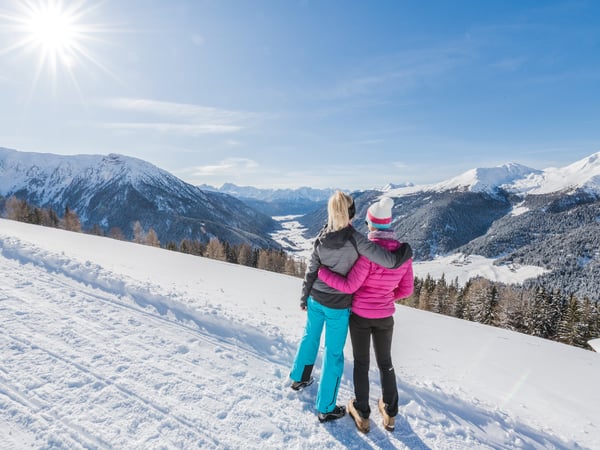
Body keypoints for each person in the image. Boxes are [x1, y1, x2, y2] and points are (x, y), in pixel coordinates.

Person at [289, 191, 412, 424]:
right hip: (338, 306)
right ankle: (325, 407)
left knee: (310, 338)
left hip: (316, 299)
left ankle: (299, 378)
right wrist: (405, 253)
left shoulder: (321, 236)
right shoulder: (357, 240)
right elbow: (387, 260)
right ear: (352, 213)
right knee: (333, 354)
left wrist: (305, 296)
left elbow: (311, 269)